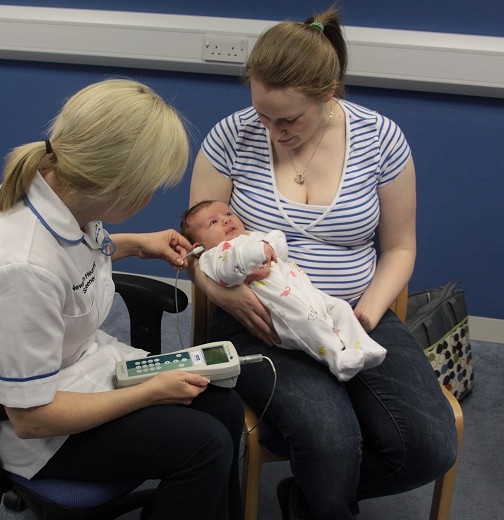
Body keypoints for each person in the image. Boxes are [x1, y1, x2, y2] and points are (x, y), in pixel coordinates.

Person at [188, 7, 457, 520]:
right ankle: (322, 501)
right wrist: (222, 293)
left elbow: (400, 248)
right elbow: (200, 245)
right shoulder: (232, 136)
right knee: (329, 439)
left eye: (288, 120)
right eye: (262, 115)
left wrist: (366, 316)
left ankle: (306, 499)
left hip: (351, 310)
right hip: (261, 320)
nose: (272, 131)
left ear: (328, 92)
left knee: (428, 446)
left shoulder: (380, 139)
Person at [0, 79, 244, 520]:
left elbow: (75, 259)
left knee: (225, 405)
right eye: (150, 188)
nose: (150, 197)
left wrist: (134, 243)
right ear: (120, 186)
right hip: (36, 430)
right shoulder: (20, 266)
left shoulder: (62, 193)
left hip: (80, 372)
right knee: (204, 446)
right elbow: (32, 418)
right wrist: (149, 394)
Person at [181, 200, 386, 382]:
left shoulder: (251, 236)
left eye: (228, 214)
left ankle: (363, 346)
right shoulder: (213, 256)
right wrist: (257, 251)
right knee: (310, 321)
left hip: (305, 292)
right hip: (283, 310)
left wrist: (270, 243)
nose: (226, 220)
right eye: (213, 222)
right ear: (199, 247)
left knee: (340, 308)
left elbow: (279, 244)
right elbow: (228, 271)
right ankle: (338, 359)